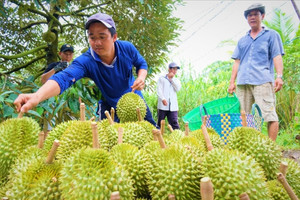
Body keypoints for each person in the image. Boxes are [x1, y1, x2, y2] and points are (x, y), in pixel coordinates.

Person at [14, 12, 157, 126]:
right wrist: (37, 96)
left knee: (152, 132)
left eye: (102, 36)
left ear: (114, 37)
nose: (97, 43)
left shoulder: (126, 48)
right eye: (92, 37)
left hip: (135, 99)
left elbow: (141, 64)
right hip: (109, 105)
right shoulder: (86, 61)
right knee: (108, 143)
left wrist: (141, 77)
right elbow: (64, 78)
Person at [228, 3, 284, 141]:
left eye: (255, 14)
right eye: (249, 15)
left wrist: (279, 76)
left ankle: (271, 149)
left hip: (262, 80)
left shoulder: (271, 35)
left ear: (262, 16)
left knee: (269, 114)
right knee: (245, 117)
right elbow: (237, 62)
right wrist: (231, 82)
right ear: (247, 19)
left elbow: (277, 56)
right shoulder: (242, 40)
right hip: (243, 82)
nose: (252, 17)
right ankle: (250, 146)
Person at [157, 62, 181, 130]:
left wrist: (172, 79)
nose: (175, 71)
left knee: (174, 123)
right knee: (160, 122)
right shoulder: (162, 79)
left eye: (176, 70)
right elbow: (159, 90)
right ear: (169, 69)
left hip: (173, 106)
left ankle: (178, 138)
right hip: (163, 105)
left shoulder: (176, 80)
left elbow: (178, 89)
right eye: (174, 69)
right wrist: (163, 99)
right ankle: (158, 137)